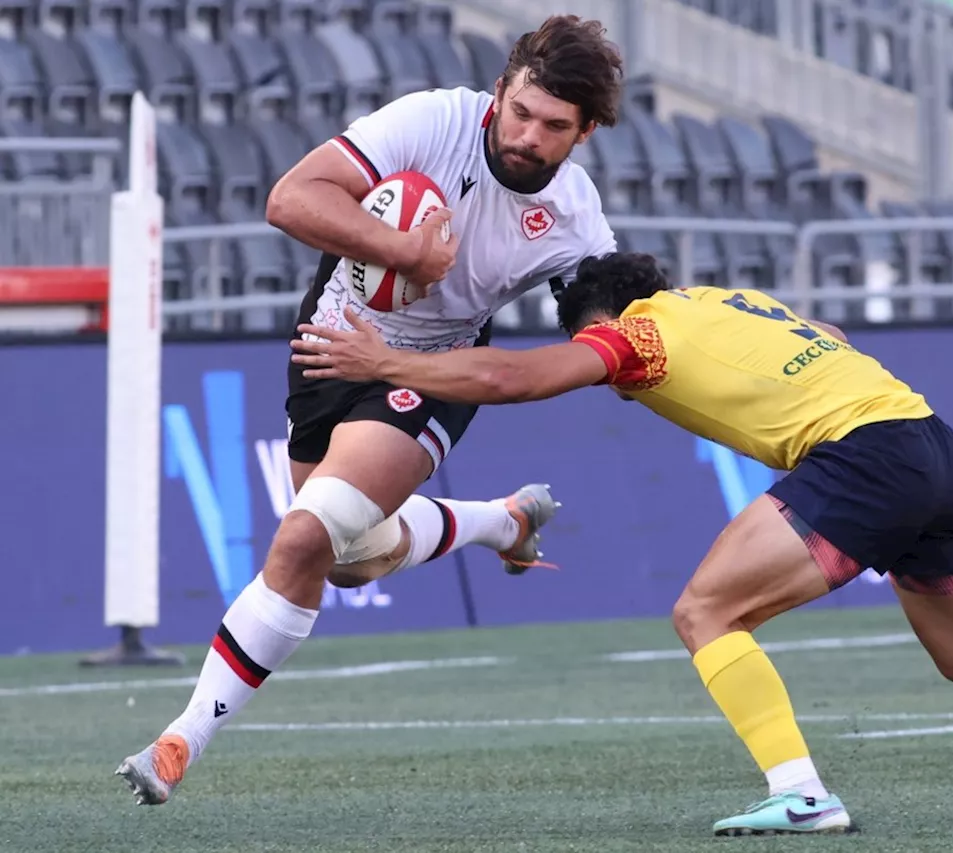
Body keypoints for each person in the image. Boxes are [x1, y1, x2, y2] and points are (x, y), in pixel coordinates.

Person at [289, 252, 953, 836]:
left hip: (863, 456)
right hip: (931, 442)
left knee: (702, 611)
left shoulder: (636, 332)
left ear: (601, 316)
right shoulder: (720, 300)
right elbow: (826, 332)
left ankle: (798, 794)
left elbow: (522, 379)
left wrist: (386, 360)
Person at [116, 15, 624, 807]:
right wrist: (405, 254)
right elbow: (290, 199)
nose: (528, 135)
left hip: (432, 369)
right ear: (500, 91)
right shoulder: (433, 120)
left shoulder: (575, 223)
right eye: (520, 112)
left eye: (554, 126)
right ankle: (502, 522)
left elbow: (610, 333)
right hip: (331, 340)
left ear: (585, 131)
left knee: (304, 535)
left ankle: (180, 738)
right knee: (349, 562)